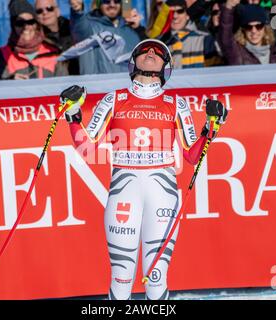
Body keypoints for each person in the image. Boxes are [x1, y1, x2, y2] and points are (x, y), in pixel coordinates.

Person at [59, 39, 228, 300]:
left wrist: (211, 127)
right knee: (122, 274)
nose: (151, 53)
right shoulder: (114, 99)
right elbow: (87, 149)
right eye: (144, 51)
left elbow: (192, 155)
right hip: (124, 191)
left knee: (156, 275)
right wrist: (73, 114)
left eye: (158, 52)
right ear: (133, 61)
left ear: (166, 66)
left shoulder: (176, 103)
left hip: (163, 192)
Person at [0, 0, 68, 80]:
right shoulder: (2, 55)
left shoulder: (53, 52)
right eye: (20, 23)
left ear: (36, 24)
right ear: (13, 26)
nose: (26, 27)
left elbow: (64, 86)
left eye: (30, 22)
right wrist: (11, 80)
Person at [69, 0, 145, 75]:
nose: (112, 5)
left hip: (126, 85)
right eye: (106, 1)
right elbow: (78, 27)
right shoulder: (89, 27)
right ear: (99, 3)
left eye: (116, 1)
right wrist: (77, 11)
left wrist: (138, 29)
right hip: (99, 86)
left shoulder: (130, 29)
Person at [159, 0, 223, 67]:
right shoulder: (160, 44)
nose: (175, 16)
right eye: (171, 13)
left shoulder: (205, 39)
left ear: (187, 16)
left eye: (180, 11)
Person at [218, 0, 276, 65]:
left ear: (265, 28)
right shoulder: (236, 52)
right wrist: (228, 7)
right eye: (248, 27)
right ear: (243, 29)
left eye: (258, 26)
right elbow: (225, 34)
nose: (254, 31)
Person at [35, 0, 79, 75]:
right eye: (39, 11)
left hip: (80, 79)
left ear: (58, 11)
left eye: (49, 8)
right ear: (35, 16)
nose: (45, 13)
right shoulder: (33, 40)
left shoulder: (74, 30)